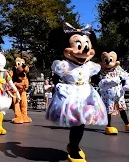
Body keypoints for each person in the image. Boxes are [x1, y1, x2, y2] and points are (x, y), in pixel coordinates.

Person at [45, 23, 107, 162]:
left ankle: (74, 146)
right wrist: (58, 87)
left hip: (86, 95)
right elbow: (56, 78)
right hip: (70, 95)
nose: (84, 50)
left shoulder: (91, 66)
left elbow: (97, 78)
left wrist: (103, 83)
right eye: (78, 45)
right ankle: (73, 148)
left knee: (82, 122)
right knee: (76, 123)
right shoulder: (64, 65)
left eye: (87, 45)